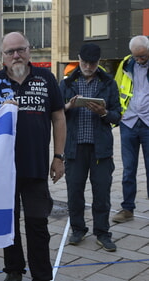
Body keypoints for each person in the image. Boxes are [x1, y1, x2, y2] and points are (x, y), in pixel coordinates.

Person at [0, 31, 66, 281]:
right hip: (2, 169)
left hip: (35, 167)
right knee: (9, 224)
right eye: (10, 52)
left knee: (37, 225)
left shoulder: (45, 78)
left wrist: (58, 156)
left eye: (20, 50)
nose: (16, 56)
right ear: (3, 57)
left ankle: (42, 274)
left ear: (29, 50)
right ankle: (13, 270)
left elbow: (58, 115)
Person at [60, 43, 121, 252]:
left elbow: (117, 115)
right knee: (74, 191)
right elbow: (56, 113)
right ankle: (78, 229)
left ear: (98, 62)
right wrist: (68, 106)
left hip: (100, 149)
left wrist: (104, 113)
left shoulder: (109, 83)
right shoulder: (68, 83)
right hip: (74, 148)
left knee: (102, 192)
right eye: (84, 62)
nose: (87, 66)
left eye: (92, 63)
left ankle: (102, 233)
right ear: (78, 58)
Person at [112, 35, 149, 224]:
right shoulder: (126, 63)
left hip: (148, 123)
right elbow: (117, 87)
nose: (139, 60)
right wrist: (119, 113)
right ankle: (127, 209)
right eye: (136, 57)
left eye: (143, 57)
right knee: (128, 169)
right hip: (129, 122)